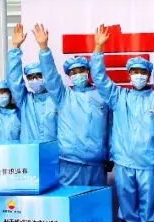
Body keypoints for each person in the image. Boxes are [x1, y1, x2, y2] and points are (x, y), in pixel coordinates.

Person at [90, 25, 154, 222]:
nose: (139, 76)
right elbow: (100, 79)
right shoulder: (119, 97)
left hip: (148, 163)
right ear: (128, 75)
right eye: (135, 72)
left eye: (143, 72)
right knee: (127, 212)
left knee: (150, 211)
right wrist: (98, 48)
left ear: (149, 75)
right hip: (124, 162)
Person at [39, 25, 111, 186]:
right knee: (71, 200)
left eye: (81, 70)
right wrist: (44, 48)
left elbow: (111, 128)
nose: (78, 74)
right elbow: (50, 76)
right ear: (69, 76)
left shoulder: (102, 96)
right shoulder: (63, 96)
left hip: (97, 164)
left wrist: (109, 155)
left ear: (88, 71)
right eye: (73, 72)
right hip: (69, 163)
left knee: (96, 200)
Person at [7, 23, 58, 143]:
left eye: (38, 76)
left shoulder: (58, 98)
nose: (34, 80)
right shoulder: (25, 101)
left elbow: (50, 71)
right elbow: (14, 80)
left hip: (54, 150)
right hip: (29, 150)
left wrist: (43, 47)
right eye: (30, 77)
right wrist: (15, 47)